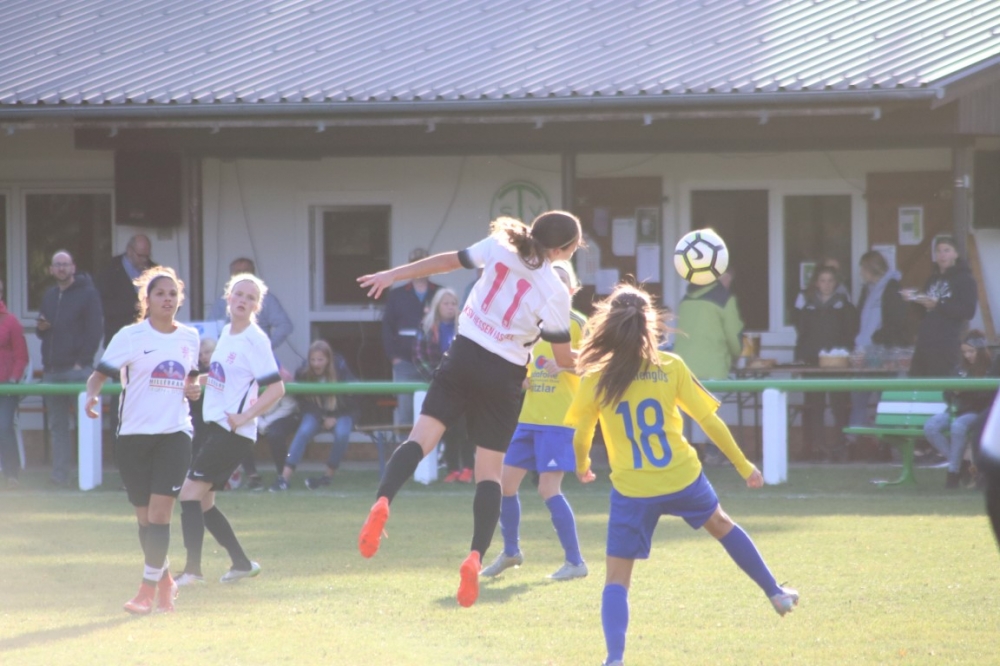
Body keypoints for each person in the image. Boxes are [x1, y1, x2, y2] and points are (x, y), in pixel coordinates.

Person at [356, 211, 582, 608]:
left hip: (463, 353)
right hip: (505, 373)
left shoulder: (500, 245)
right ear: (564, 250)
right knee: (489, 473)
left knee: (420, 439)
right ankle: (475, 556)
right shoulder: (556, 289)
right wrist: (604, 360)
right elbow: (564, 360)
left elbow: (447, 261)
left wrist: (393, 275)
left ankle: (384, 500)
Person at [565, 284, 798, 666]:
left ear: (608, 324)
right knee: (723, 525)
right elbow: (709, 421)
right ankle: (775, 592)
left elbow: (581, 434)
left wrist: (582, 465)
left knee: (617, 580)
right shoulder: (669, 366)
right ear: (649, 324)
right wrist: (744, 466)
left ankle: (615, 659)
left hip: (633, 489)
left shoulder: (597, 376)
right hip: (681, 478)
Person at [83, 266, 202, 614]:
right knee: (145, 520)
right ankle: (165, 583)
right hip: (133, 438)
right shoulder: (130, 336)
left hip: (174, 434)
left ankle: (145, 592)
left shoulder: (190, 337)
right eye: (160, 293)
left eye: (172, 294)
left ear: (179, 299)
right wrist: (91, 396)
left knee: (160, 514)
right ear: (146, 300)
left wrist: (194, 389)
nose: (167, 299)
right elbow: (98, 375)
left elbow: (191, 378)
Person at [480, 261, 588, 581]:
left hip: (559, 420)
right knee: (504, 484)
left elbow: (597, 364)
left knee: (547, 488)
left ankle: (575, 562)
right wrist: (520, 378)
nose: (555, 284)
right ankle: (511, 551)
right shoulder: (529, 321)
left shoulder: (578, 323)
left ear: (572, 289)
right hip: (528, 418)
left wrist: (565, 366)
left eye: (562, 279)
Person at [175, 272, 285, 586]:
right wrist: (195, 382)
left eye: (251, 298)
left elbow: (277, 389)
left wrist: (245, 415)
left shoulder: (255, 339)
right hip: (214, 428)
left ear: (256, 307)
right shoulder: (226, 332)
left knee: (188, 495)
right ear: (228, 298)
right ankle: (241, 563)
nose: (243, 301)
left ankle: (192, 571)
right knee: (204, 503)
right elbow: (222, 377)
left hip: (231, 433)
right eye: (239, 294)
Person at [36, 250, 104, 486]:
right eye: (57, 264)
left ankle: (89, 475)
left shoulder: (88, 294)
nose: (62, 268)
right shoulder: (49, 295)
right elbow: (42, 331)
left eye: (65, 264)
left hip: (78, 371)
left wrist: (82, 361)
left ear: (73, 267)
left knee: (86, 423)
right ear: (51, 270)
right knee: (58, 426)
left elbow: (95, 330)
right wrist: (41, 328)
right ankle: (60, 475)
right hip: (52, 370)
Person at [672, 269, 743, 463]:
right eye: (727, 277)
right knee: (712, 413)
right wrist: (738, 354)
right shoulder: (725, 300)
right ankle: (713, 452)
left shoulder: (686, 299)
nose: (729, 282)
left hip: (683, 367)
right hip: (713, 366)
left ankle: (689, 453)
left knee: (685, 414)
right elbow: (734, 337)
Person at [269, 340, 358, 491]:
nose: (316, 364)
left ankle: (327, 476)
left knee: (342, 433)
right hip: (316, 413)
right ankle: (284, 478)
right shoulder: (303, 372)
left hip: (342, 412)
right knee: (304, 431)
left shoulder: (341, 369)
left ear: (328, 360)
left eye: (320, 360)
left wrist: (335, 416)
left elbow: (353, 398)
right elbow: (301, 400)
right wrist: (322, 417)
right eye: (313, 360)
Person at [97, 235, 155, 456]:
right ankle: (119, 453)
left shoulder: (155, 271)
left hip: (149, 346)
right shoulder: (109, 272)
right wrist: (133, 306)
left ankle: (147, 453)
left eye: (147, 255)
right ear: (129, 251)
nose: (144, 260)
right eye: (140, 255)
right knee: (120, 398)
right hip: (119, 345)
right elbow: (102, 306)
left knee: (148, 397)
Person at [847, 251, 908, 459]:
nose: (860, 273)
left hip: (884, 352)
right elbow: (860, 318)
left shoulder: (892, 287)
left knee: (885, 400)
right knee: (859, 397)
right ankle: (853, 443)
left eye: (862, 269)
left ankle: (886, 445)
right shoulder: (867, 290)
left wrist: (876, 337)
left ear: (871, 269)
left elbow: (896, 321)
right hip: (864, 350)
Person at [794, 265, 858, 461]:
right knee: (815, 406)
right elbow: (802, 334)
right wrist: (801, 357)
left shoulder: (845, 306)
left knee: (839, 405)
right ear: (816, 283)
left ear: (836, 283)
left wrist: (846, 355)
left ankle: (840, 446)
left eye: (830, 280)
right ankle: (818, 446)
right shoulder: (808, 306)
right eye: (823, 280)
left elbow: (850, 333)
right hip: (813, 363)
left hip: (837, 362)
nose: (827, 285)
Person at [413, 287, 474, 483]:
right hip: (439, 384)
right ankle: (453, 469)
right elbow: (418, 356)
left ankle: (468, 468)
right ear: (437, 306)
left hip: (464, 384)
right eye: (446, 303)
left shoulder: (466, 326)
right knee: (447, 428)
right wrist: (435, 377)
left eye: (453, 303)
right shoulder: (426, 326)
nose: (450, 307)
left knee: (466, 428)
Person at [923, 331, 997, 489]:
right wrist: (952, 392)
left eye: (971, 351)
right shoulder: (959, 369)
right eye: (964, 352)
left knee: (958, 426)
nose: (967, 355)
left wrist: (965, 391)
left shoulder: (991, 369)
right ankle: (962, 464)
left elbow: (988, 397)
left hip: (975, 412)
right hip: (954, 410)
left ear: (981, 350)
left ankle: (953, 473)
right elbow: (946, 393)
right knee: (930, 426)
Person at [382, 247, 441, 429]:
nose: (420, 269)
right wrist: (394, 358)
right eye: (416, 264)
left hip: (433, 364)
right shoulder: (397, 295)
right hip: (405, 363)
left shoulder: (440, 293)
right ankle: (405, 446)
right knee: (406, 413)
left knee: (434, 411)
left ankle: (435, 448)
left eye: (425, 264)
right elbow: (387, 328)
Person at [905, 236, 978, 378]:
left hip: (945, 345)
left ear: (956, 254)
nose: (942, 255)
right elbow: (924, 312)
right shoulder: (932, 279)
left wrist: (938, 305)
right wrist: (914, 299)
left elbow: (968, 311)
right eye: (938, 251)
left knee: (940, 385)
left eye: (947, 250)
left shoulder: (965, 279)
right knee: (916, 383)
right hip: (924, 343)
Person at [0, 278, 29, 486]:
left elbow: (21, 356)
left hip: (6, 388)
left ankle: (11, 474)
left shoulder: (11, 322)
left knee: (4, 426)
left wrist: (12, 380)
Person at [189, 337, 217, 463]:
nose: (204, 357)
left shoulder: (224, 369)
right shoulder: (195, 372)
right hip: (199, 415)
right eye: (200, 354)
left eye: (207, 352)